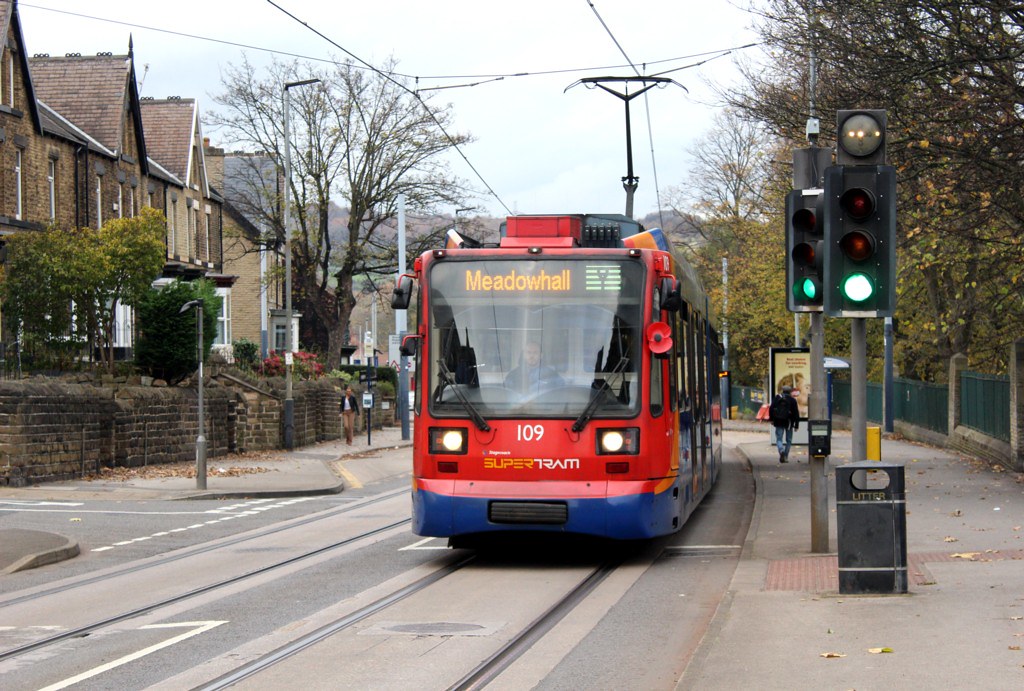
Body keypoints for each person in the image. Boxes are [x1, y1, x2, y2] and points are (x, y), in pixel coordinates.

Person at [770, 385, 800, 463]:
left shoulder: (777, 397)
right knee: (789, 440)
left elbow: (771, 408)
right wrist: (796, 425)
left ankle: (781, 450)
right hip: (789, 422)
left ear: (782, 390)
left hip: (778, 421)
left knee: (779, 438)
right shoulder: (792, 400)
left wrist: (772, 419)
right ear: (790, 392)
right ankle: (785, 456)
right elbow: (796, 413)